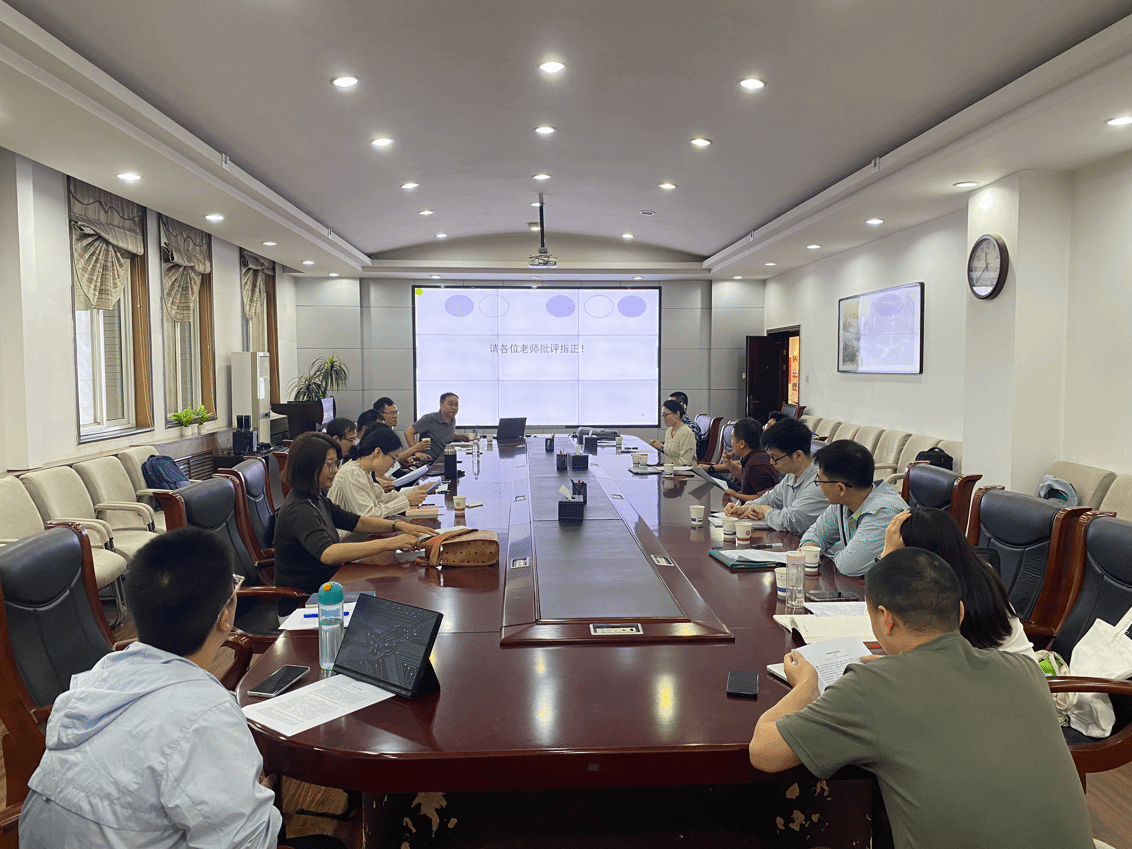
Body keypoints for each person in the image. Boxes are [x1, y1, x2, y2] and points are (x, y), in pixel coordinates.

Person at [747, 547, 1094, 849]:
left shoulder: (871, 688)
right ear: (960, 613)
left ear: (886, 620)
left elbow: (764, 752)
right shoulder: (1024, 669)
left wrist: (807, 684)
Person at [20, 529, 344, 849]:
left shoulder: (100, 675)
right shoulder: (206, 714)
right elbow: (251, 843)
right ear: (225, 618)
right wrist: (259, 793)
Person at [273, 433, 435, 602]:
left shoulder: (315, 498)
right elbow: (328, 553)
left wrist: (398, 526)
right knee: (390, 597)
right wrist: (390, 543)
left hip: (331, 586)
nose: (335, 470)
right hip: (308, 600)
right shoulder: (299, 508)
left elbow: (357, 521)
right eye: (329, 464)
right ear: (308, 466)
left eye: (336, 463)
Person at [883, 508, 1036, 656]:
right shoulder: (978, 572)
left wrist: (886, 559)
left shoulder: (938, 596)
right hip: (1007, 668)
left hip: (1000, 670)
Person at [798, 439, 907, 576]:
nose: (819, 486)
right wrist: (809, 546)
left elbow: (848, 566)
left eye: (819, 481)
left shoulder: (883, 513)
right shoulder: (844, 501)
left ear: (841, 488)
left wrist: (825, 552)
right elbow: (816, 533)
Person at [725, 417, 829, 536]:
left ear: (798, 455)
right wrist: (746, 508)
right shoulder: (792, 474)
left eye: (775, 457)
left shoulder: (819, 482)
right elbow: (770, 498)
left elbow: (791, 521)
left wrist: (764, 510)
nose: (771, 462)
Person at [328, 425, 433, 539]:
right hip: (344, 538)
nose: (392, 465)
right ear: (377, 452)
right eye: (393, 459)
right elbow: (369, 517)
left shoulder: (363, 471)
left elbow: (383, 499)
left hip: (358, 535)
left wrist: (417, 490)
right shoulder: (352, 473)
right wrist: (406, 500)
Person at [700, 418, 778, 504]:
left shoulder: (757, 464)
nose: (731, 443)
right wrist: (729, 463)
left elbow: (764, 499)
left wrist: (736, 495)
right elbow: (745, 478)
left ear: (742, 444)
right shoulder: (754, 456)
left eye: (732, 439)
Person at [406, 392, 473, 461]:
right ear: (441, 404)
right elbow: (408, 432)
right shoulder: (429, 419)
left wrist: (461, 437)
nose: (454, 407)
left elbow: (446, 434)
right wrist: (416, 452)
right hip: (429, 461)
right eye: (450, 404)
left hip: (445, 459)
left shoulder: (452, 419)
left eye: (456, 405)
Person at [373, 396, 432, 466]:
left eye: (396, 413)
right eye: (392, 413)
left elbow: (396, 457)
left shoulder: (390, 431)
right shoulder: (378, 434)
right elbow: (391, 458)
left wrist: (404, 459)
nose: (395, 416)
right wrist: (415, 448)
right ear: (380, 415)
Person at [649, 399, 696, 465]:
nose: (664, 418)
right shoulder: (668, 431)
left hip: (684, 470)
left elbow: (685, 462)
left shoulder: (686, 433)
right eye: (663, 415)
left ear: (677, 414)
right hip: (669, 468)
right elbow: (667, 454)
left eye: (666, 415)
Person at [669, 391, 706, 460]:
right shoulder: (675, 426)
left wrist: (662, 447)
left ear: (681, 406)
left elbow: (685, 451)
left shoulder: (691, 427)